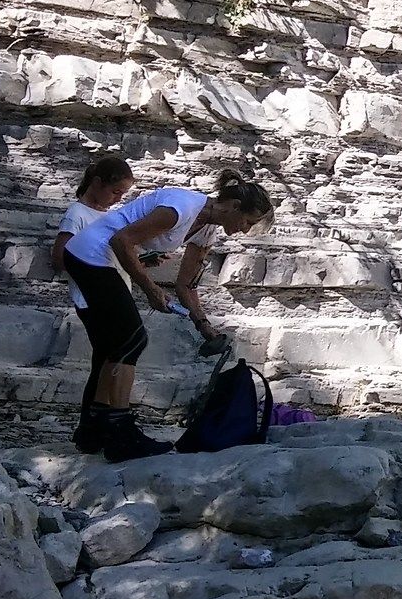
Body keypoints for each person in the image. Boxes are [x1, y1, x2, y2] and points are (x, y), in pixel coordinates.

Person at [61, 166, 275, 460]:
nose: (245, 230)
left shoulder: (207, 229)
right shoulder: (180, 208)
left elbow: (186, 284)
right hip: (90, 253)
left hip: (100, 259)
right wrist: (150, 290)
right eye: (247, 222)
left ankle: (93, 428)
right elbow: (121, 240)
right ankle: (120, 432)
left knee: (112, 346)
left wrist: (204, 325)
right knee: (131, 341)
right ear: (235, 207)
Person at [51, 151, 136, 451]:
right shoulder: (77, 214)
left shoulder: (108, 215)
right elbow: (60, 257)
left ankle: (93, 429)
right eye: (114, 191)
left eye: (121, 194)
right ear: (97, 182)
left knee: (107, 359)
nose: (116, 198)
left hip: (114, 293)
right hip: (93, 298)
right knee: (109, 358)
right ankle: (95, 428)